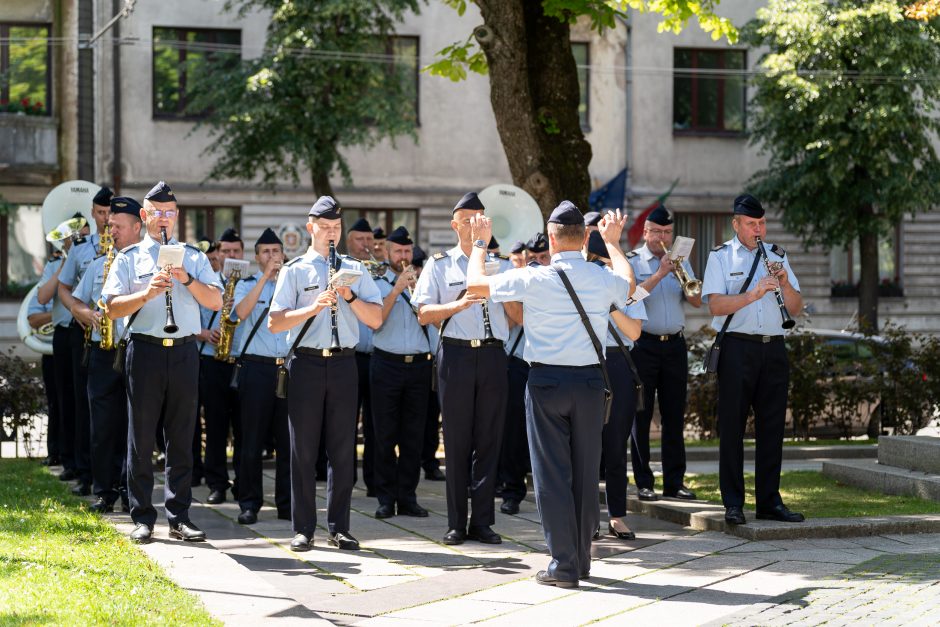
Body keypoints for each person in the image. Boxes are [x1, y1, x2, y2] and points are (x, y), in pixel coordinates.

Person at [467, 202, 633, 588]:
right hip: (591, 383)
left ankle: (564, 564)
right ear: (584, 235)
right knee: (586, 473)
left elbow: (475, 283)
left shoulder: (533, 277)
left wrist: (478, 242)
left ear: (552, 238)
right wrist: (613, 243)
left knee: (551, 476)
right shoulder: (599, 275)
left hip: (546, 383)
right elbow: (626, 282)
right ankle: (582, 559)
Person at [103, 181, 223, 544]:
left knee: (182, 437)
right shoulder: (129, 258)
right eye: (157, 213)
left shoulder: (194, 256)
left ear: (177, 215)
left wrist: (185, 278)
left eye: (170, 212)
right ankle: (142, 516)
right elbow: (111, 308)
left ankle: (180, 516)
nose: (164, 219)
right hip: (146, 350)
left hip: (185, 351)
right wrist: (148, 292)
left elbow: (216, 302)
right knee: (140, 436)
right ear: (145, 216)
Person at [268, 196, 382, 552]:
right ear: (311, 227)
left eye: (336, 228)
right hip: (307, 363)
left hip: (345, 364)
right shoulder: (295, 269)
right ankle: (303, 528)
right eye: (325, 227)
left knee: (343, 450)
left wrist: (349, 297)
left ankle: (340, 527)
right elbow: (275, 323)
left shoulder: (355, 269)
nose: (331, 233)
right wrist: (312, 307)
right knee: (303, 450)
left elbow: (376, 319)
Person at [413, 192, 512, 546]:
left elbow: (516, 319)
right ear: (456, 225)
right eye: (470, 219)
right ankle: (456, 521)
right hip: (455, 355)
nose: (477, 225)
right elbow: (423, 313)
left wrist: (511, 288)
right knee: (456, 441)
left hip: (493, 355)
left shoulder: (501, 263)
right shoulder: (439, 264)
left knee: (489, 440)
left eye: (482, 218)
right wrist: (458, 304)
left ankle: (483, 521)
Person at [702, 194, 804, 526]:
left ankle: (769, 502)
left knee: (772, 427)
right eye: (751, 224)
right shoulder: (720, 256)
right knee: (732, 427)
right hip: (737, 348)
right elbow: (715, 306)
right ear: (736, 224)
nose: (757, 229)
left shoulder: (777, 255)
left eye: (761, 223)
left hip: (773, 347)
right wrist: (753, 294)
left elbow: (796, 307)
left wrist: (785, 284)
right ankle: (733, 502)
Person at [71, 196, 142, 513]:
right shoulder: (99, 264)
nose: (110, 229)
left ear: (136, 227)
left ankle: (131, 491)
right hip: (102, 351)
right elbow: (75, 301)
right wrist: (86, 313)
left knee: (134, 425)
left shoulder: (147, 264)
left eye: (117, 225)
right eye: (109, 224)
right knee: (102, 425)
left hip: (135, 351)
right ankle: (104, 491)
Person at [627, 204, 702, 502]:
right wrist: (659, 274)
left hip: (674, 345)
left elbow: (696, 302)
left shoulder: (680, 260)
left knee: (674, 416)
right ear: (646, 232)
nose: (662, 237)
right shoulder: (632, 261)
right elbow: (630, 297)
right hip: (643, 345)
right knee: (641, 415)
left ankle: (675, 482)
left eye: (668, 232)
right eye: (657, 231)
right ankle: (644, 481)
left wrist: (683, 277)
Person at [587, 231, 646, 540]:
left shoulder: (627, 289)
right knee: (586, 445)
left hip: (619, 362)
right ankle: (588, 517)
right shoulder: (582, 284)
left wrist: (610, 305)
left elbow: (634, 331)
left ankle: (617, 516)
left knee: (615, 445)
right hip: (588, 361)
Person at [370, 226, 432, 519]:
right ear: (388, 252)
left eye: (408, 252)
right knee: (385, 434)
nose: (404, 256)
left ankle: (408, 496)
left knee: (413, 435)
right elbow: (375, 322)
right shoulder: (376, 281)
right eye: (399, 251)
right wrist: (396, 288)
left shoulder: (425, 282)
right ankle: (386, 497)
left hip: (419, 364)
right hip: (387, 364)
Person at [231, 228, 291, 524]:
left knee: (289, 441)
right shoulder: (248, 284)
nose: (271, 257)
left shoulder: (294, 284)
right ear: (256, 258)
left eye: (276, 252)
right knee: (252, 440)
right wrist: (266, 278)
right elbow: (240, 313)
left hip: (288, 368)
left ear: (284, 255)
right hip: (257, 367)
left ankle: (287, 504)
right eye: (266, 252)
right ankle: (249, 503)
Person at [58, 187, 113, 496]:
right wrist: (78, 311)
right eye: (101, 213)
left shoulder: (125, 248)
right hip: (84, 333)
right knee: (84, 402)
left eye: (110, 214)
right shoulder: (80, 249)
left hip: (117, 335)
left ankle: (112, 474)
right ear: (93, 212)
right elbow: (64, 288)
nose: (105, 219)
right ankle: (84, 471)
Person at [198, 227, 245, 505]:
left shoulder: (250, 284)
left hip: (240, 362)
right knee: (215, 426)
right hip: (212, 361)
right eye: (226, 252)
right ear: (218, 254)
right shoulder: (207, 283)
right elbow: (187, 317)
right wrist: (204, 333)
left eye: (236, 251)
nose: (231, 256)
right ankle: (216, 483)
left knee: (244, 428)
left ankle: (243, 482)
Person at [37, 230, 78, 482]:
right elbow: (42, 297)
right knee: (64, 399)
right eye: (69, 236)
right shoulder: (55, 262)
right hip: (64, 334)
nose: (73, 240)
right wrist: (65, 264)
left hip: (90, 333)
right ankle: (68, 459)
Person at [345, 217, 377, 494]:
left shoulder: (378, 273)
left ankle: (374, 479)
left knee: (374, 422)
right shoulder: (344, 269)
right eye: (360, 239)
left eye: (369, 240)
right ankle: (345, 477)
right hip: (350, 356)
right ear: (349, 241)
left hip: (377, 357)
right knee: (345, 421)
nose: (366, 245)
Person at [411, 246, 446, 482]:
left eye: (418, 266)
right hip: (416, 362)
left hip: (435, 360)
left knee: (433, 416)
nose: (416, 270)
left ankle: (430, 461)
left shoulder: (433, 288)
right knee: (417, 418)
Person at [26, 289, 60, 467]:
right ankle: (54, 452)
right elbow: (33, 319)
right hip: (51, 351)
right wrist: (62, 313)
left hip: (78, 346)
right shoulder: (47, 282)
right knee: (54, 403)